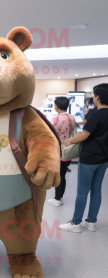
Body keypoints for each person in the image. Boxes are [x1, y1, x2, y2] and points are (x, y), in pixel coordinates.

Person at [59, 83, 108, 232]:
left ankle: (75, 223)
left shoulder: (97, 114)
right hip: (104, 159)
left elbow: (84, 135)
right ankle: (91, 222)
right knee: (97, 191)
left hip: (89, 159)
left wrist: (69, 141)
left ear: (97, 96)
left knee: (82, 191)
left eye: (94, 95)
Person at [48, 97, 76, 207]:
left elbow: (49, 132)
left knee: (59, 175)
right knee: (63, 174)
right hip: (69, 150)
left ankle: (58, 199)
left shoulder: (56, 119)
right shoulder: (71, 117)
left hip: (58, 151)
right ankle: (60, 197)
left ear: (56, 106)